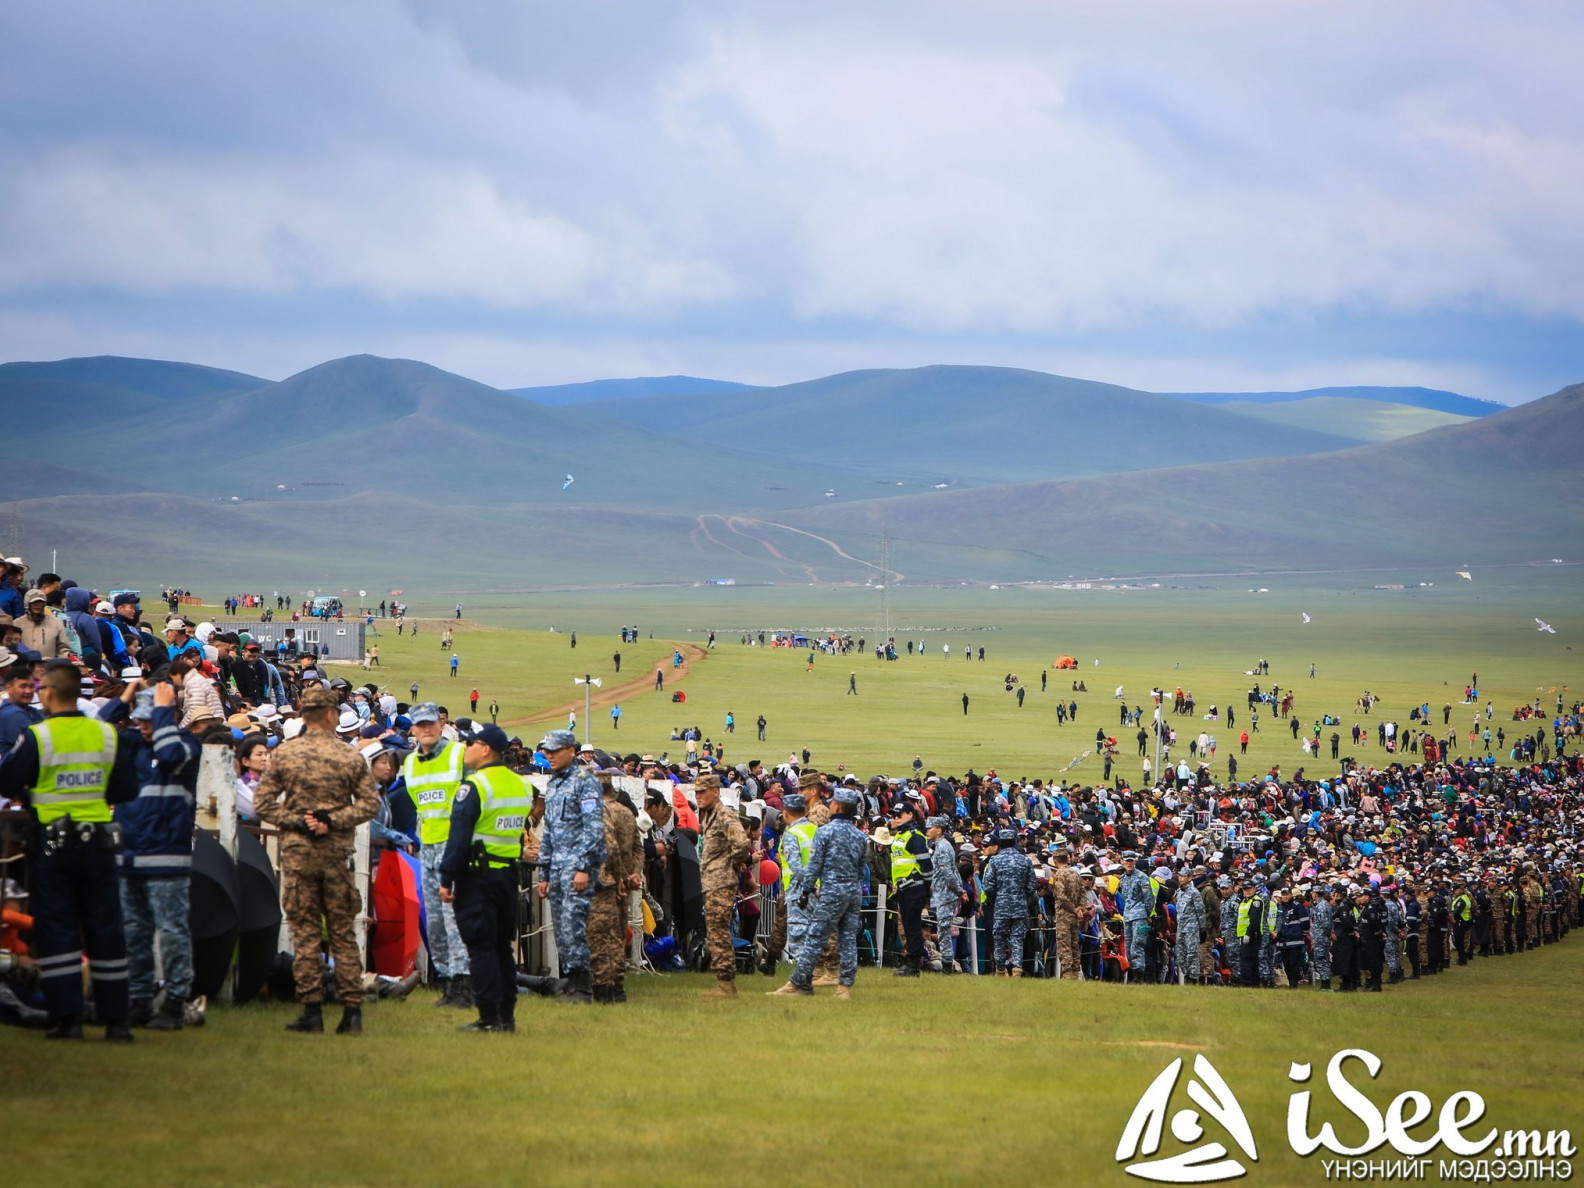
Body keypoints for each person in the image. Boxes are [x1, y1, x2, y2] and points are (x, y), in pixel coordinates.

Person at [0, 660, 139, 1040]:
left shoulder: (39, 736)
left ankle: (68, 1020)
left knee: (58, 929)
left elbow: (8, 779)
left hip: (53, 845)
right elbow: (126, 789)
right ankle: (117, 1022)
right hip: (98, 842)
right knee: (106, 929)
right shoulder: (107, 734)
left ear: (47, 693)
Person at [251, 685, 381, 1034]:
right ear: (329, 715)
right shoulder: (349, 756)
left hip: (298, 854)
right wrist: (332, 820)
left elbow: (263, 804)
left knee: (305, 931)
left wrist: (296, 820)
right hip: (336, 854)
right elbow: (370, 805)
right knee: (342, 932)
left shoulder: (284, 756)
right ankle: (352, 1011)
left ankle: (312, 1010)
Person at [110, 680, 200, 1029]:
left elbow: (170, 755)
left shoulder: (187, 745)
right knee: (134, 934)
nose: (143, 725)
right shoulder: (132, 744)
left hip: (166, 857)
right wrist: (124, 698)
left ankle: (175, 1002)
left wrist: (163, 711)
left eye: (150, 719)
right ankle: (140, 999)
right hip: (129, 855)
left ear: (167, 716)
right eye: (140, 719)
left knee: (172, 932)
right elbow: (98, 732)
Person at [440, 724, 533, 1033]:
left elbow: (459, 837)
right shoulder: (520, 785)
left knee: (480, 948)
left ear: (485, 749)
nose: (465, 749)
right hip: (508, 875)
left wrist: (446, 878)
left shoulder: (475, 786)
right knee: (501, 948)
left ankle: (488, 1016)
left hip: (477, 877)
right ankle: (507, 1016)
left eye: (470, 744)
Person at [402, 703, 473, 1009]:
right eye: (421, 725)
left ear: (440, 724)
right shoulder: (410, 764)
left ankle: (464, 984)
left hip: (456, 848)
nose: (427, 729)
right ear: (413, 729)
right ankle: (447, 982)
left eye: (431, 723)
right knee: (434, 922)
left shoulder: (459, 754)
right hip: (427, 849)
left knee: (454, 918)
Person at [770, 785, 868, 998]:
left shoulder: (825, 832)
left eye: (832, 802)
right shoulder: (860, 836)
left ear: (838, 806)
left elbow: (814, 866)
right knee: (848, 939)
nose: (830, 805)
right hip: (853, 891)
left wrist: (806, 891)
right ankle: (844, 988)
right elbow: (861, 869)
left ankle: (798, 983)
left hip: (832, 891)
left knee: (815, 937)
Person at [535, 729, 606, 1003]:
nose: (548, 755)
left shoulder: (584, 783)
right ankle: (570, 983)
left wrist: (584, 868)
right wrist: (544, 872)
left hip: (577, 868)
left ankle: (582, 987)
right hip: (556, 871)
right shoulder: (553, 786)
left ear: (571, 751)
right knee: (562, 930)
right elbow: (550, 832)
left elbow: (593, 829)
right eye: (546, 751)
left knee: (575, 926)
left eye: (554, 750)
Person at [589, 770, 641, 1005]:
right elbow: (638, 848)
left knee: (599, 937)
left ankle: (602, 987)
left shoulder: (596, 812)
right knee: (619, 934)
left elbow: (611, 850)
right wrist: (634, 873)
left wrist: (620, 876)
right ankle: (618, 985)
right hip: (624, 881)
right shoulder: (627, 813)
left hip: (605, 881)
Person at [695, 772, 749, 998]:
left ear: (715, 792)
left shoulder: (723, 814)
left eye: (702, 792)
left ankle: (726, 983)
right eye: (696, 792)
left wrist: (731, 866)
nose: (698, 796)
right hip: (712, 881)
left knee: (719, 931)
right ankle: (723, 981)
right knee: (716, 930)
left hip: (721, 881)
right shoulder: (709, 815)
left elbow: (742, 843)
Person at [765, 792, 816, 974]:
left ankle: (803, 978)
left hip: (797, 891)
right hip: (816, 892)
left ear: (786, 813)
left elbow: (795, 865)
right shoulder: (815, 830)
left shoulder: (792, 834)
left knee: (798, 937)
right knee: (812, 934)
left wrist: (810, 886)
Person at [981, 828, 1034, 977]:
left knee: (999, 939)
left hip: (1001, 907)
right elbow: (1031, 885)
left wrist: (995, 899)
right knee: (1017, 939)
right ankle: (1017, 969)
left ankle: (1000, 970)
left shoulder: (994, 861)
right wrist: (1023, 898)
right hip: (1020, 907)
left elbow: (988, 886)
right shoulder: (1025, 860)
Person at [926, 816, 964, 973]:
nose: (927, 831)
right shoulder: (941, 845)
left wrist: (959, 891)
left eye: (930, 828)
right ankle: (947, 961)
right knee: (942, 929)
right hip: (942, 894)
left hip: (945, 894)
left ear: (939, 830)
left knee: (943, 930)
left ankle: (948, 964)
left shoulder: (942, 847)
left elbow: (948, 873)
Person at [1116, 851, 1153, 981]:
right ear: (1122, 861)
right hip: (1128, 916)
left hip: (1139, 915)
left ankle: (1139, 976)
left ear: (1135, 862)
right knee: (1129, 947)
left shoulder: (1142, 877)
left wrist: (1146, 914)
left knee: (1137, 945)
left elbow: (1149, 898)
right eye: (1127, 860)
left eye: (1131, 860)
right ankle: (1134, 973)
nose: (1129, 863)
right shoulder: (1123, 879)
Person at [1174, 869, 1207, 984]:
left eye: (1184, 876)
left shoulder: (1194, 892)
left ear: (1190, 878)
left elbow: (1200, 911)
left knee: (1192, 953)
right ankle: (1186, 972)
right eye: (1180, 876)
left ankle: (1192, 977)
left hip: (1192, 928)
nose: (1181, 878)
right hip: (1181, 928)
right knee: (1180, 953)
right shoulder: (1178, 892)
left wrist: (1202, 928)